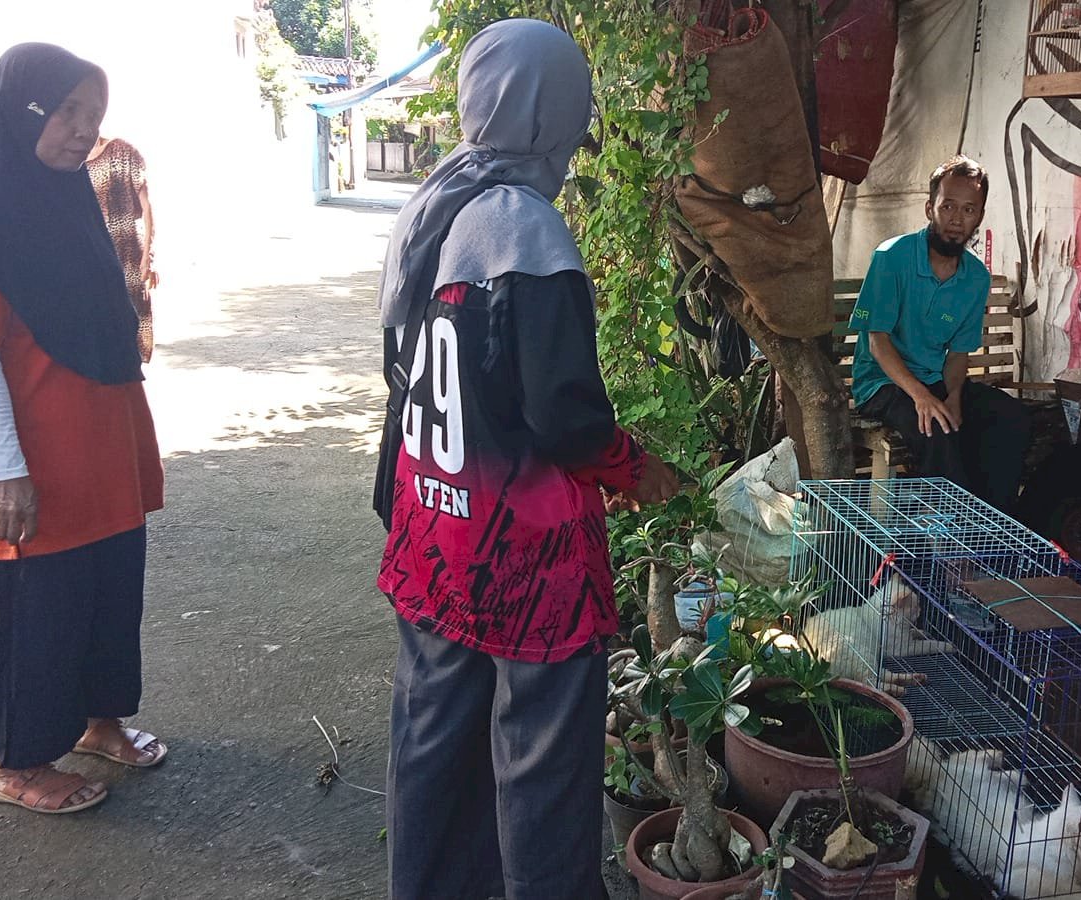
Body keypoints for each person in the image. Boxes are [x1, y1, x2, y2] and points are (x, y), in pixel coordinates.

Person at [373, 19, 679, 900]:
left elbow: (412, 379)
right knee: (542, 767)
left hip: (433, 535)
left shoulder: (430, 211)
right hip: (523, 560)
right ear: (557, 112)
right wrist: (635, 470)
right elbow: (564, 416)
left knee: (433, 743)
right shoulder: (523, 230)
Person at [0, 43, 167, 815]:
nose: (83, 131)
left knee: (106, 594)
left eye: (92, 116)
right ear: (23, 108)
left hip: (101, 452)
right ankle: (15, 764)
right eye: (67, 112)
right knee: (36, 612)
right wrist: (7, 471)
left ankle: (100, 722)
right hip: (33, 465)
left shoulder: (69, 198)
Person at [848, 155, 1032, 510]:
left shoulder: (975, 278)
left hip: (933, 382)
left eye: (968, 210)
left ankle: (991, 525)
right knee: (937, 427)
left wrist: (953, 396)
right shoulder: (892, 257)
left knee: (1011, 419)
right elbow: (877, 340)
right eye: (948, 206)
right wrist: (922, 396)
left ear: (979, 216)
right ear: (930, 207)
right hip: (882, 384)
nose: (956, 219)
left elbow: (958, 354)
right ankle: (944, 540)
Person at [87, 135, 157, 361]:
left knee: (133, 319)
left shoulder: (123, 152)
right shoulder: (74, 163)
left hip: (127, 252)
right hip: (95, 255)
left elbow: (147, 208)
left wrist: (148, 256)